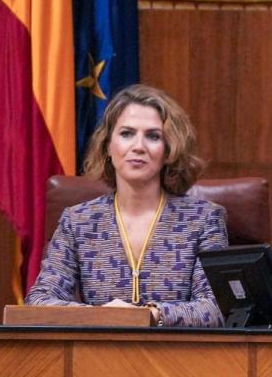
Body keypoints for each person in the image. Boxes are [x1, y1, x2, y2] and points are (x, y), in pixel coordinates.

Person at [26, 85, 226, 327]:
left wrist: (151, 314)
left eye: (153, 136)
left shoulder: (203, 219)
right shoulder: (78, 221)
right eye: (127, 133)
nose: (138, 146)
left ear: (169, 150)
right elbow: (39, 300)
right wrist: (100, 315)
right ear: (108, 147)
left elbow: (216, 307)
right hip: (99, 349)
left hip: (175, 350)